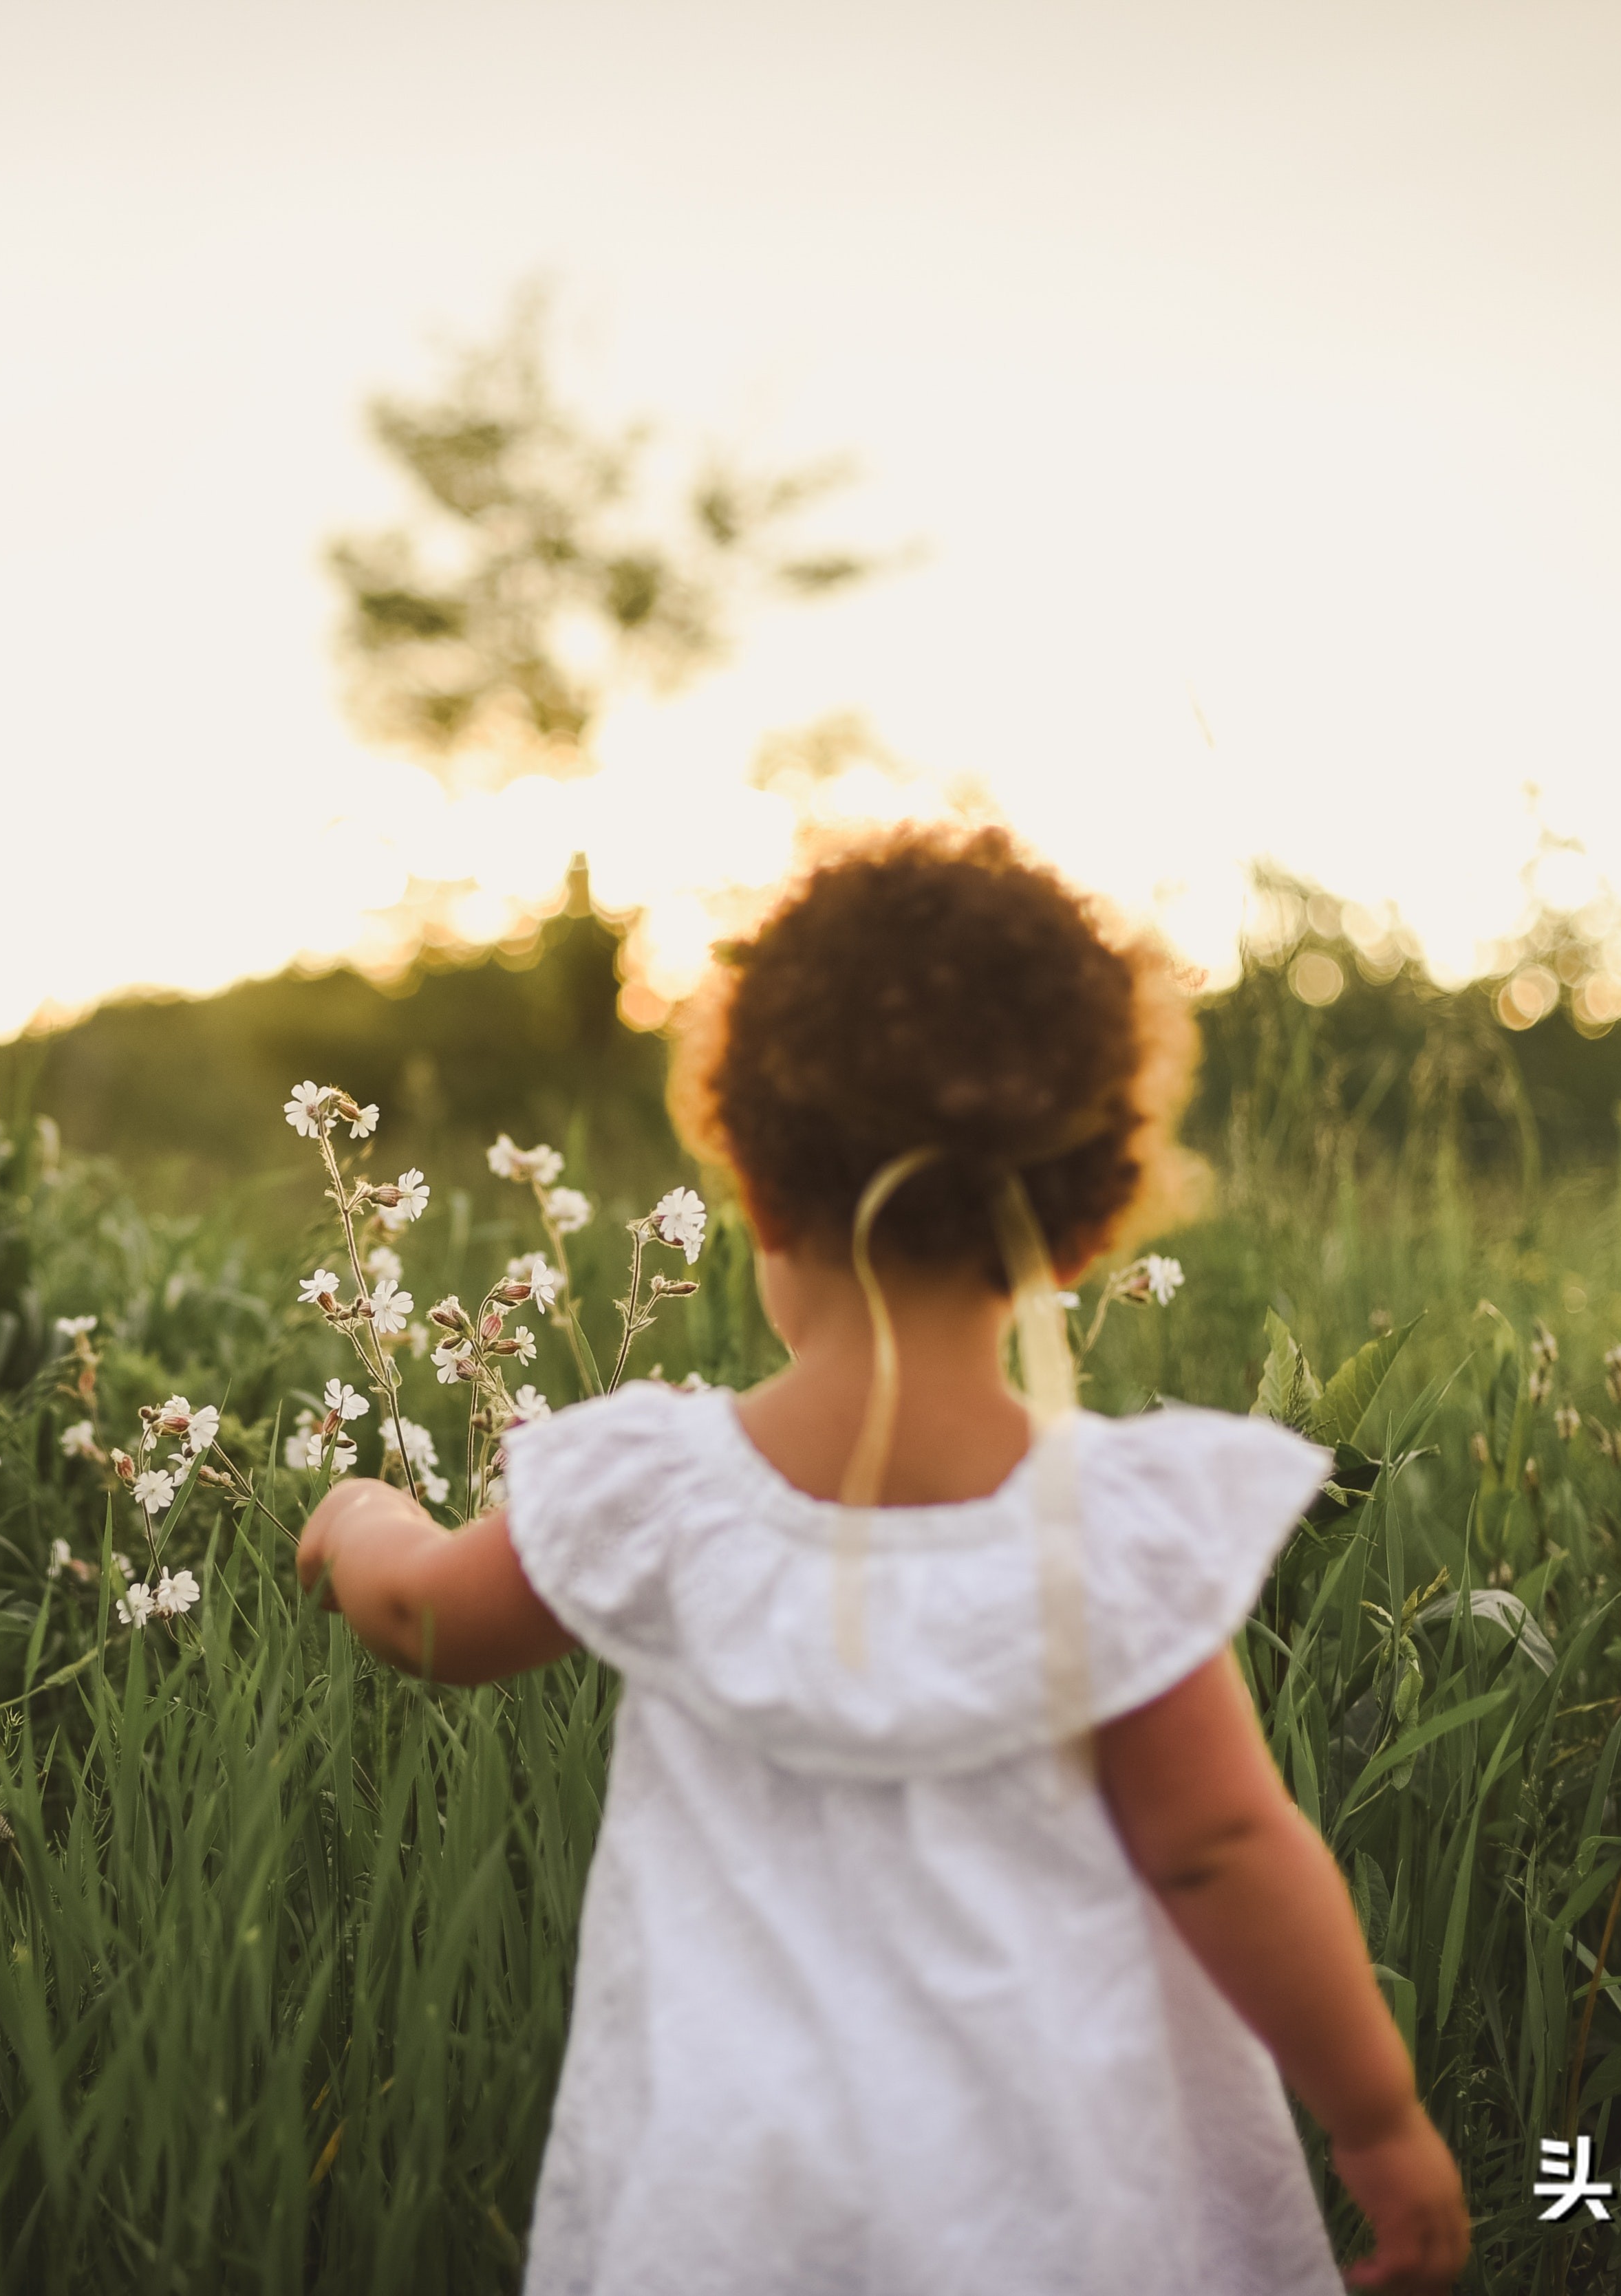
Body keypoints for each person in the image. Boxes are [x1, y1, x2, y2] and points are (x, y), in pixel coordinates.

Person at [294, 825, 1470, 2293]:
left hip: (734, 2204)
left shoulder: (659, 1489)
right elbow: (1225, 1844)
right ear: (1078, 1224)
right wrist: (1378, 2122)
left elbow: (422, 1616)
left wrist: (356, 1518)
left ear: (756, 1181)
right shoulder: (1105, 1533)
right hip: (1059, 2205)